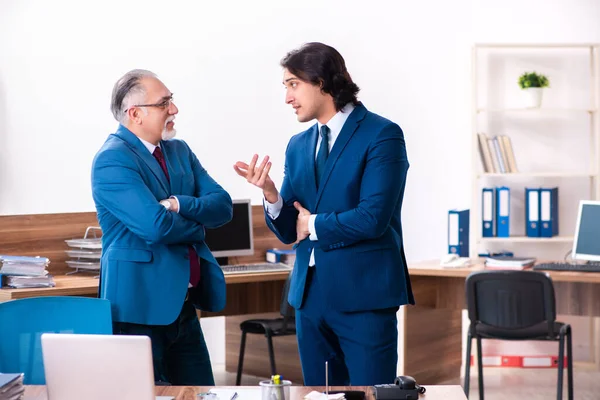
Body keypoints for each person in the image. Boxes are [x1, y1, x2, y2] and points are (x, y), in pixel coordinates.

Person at [234, 42, 414, 386]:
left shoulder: (382, 134)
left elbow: (372, 217)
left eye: (292, 84)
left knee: (371, 393)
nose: (287, 97)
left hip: (364, 294)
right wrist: (272, 196)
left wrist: (312, 223)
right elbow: (290, 231)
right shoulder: (298, 145)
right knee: (320, 394)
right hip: (309, 298)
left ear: (320, 81)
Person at [91, 69, 232, 385]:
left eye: (172, 100)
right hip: (138, 311)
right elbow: (155, 227)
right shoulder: (112, 160)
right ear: (135, 114)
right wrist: (198, 228)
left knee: (202, 395)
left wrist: (178, 204)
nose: (174, 110)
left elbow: (222, 205)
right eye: (164, 103)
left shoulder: (179, 150)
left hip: (182, 308)